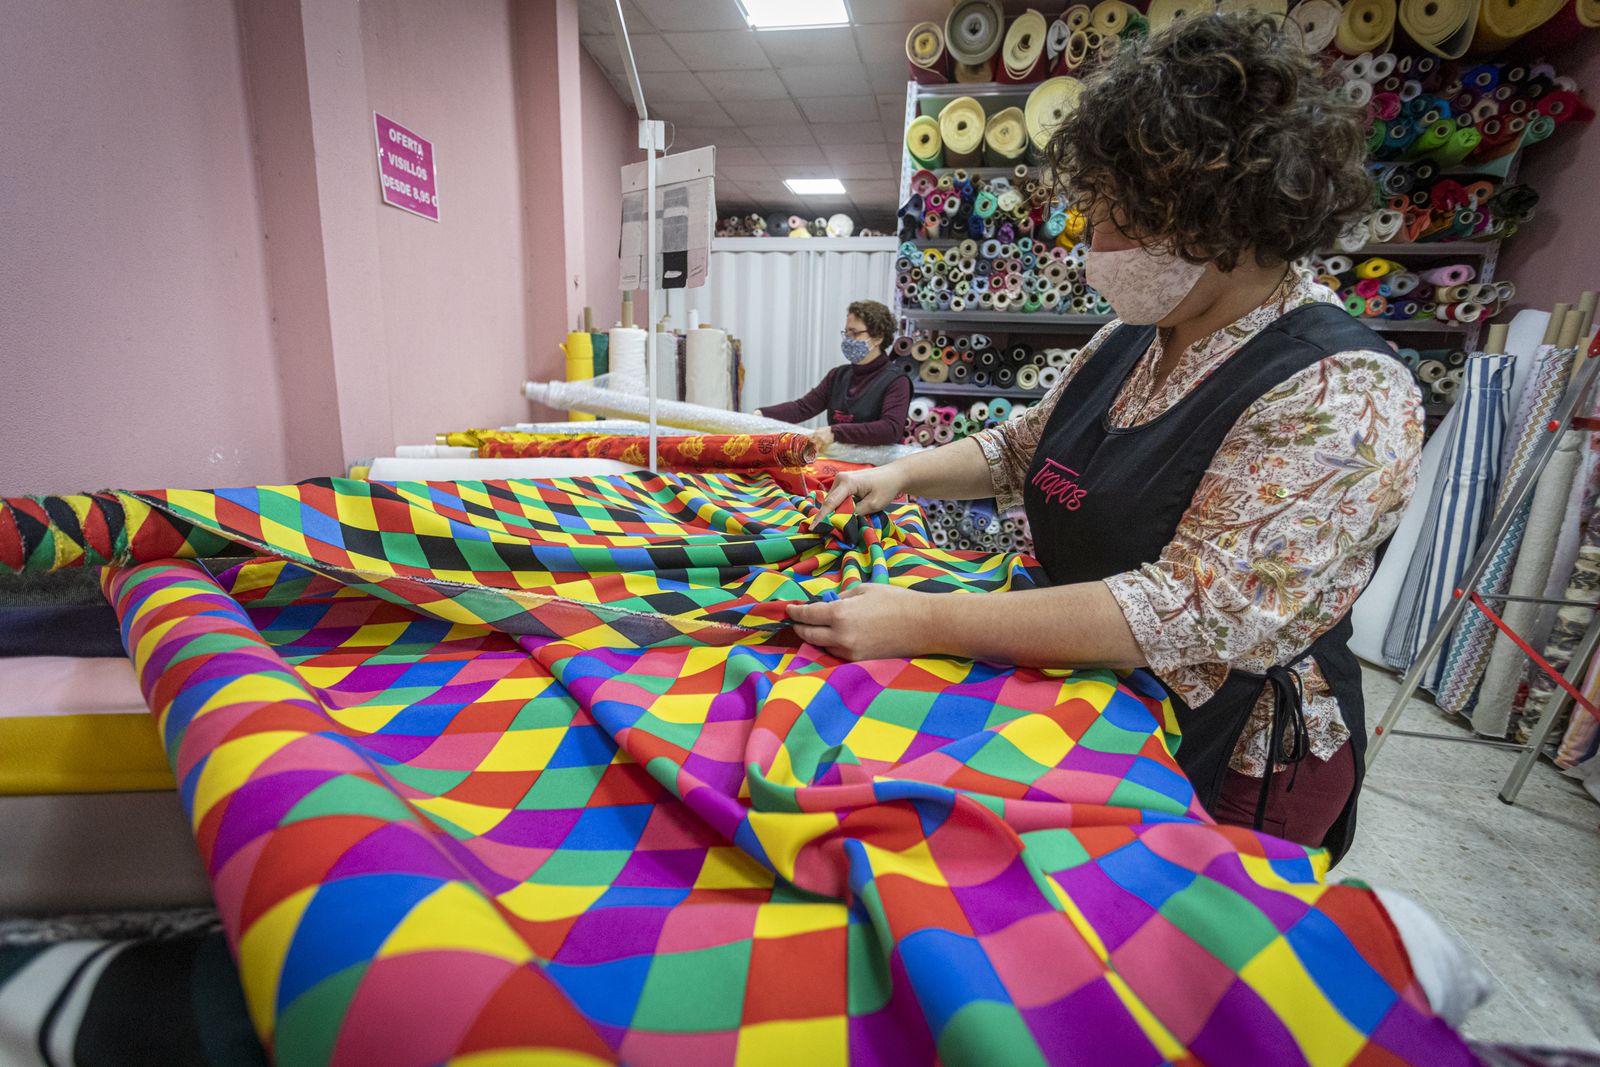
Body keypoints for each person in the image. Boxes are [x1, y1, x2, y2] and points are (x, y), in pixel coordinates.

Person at [787, 13, 1420, 861]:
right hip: (1109, 697)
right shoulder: (1140, 332)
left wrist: (925, 620)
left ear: (1211, 214)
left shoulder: (1341, 392)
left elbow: (1184, 609)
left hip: (1228, 754)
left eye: (1113, 219)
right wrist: (900, 478)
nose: (1091, 245)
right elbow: (1021, 447)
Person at [757, 300, 910, 449]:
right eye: (846, 332)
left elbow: (890, 430)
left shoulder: (896, 381)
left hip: (876, 469)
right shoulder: (838, 376)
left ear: (877, 338)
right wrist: (761, 414)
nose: (848, 339)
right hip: (840, 464)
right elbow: (803, 408)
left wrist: (835, 432)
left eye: (855, 333)